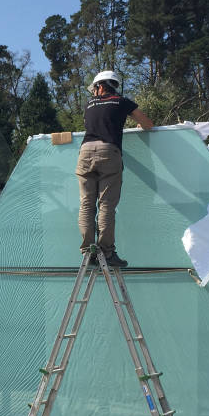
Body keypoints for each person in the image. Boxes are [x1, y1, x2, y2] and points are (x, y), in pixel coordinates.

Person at [76, 70, 153, 268]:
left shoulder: (89, 105)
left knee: (86, 204)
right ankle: (106, 253)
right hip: (108, 151)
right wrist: (138, 125)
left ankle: (87, 252)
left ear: (100, 86)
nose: (93, 92)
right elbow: (148, 124)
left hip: (84, 152)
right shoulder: (121, 101)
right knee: (106, 205)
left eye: (94, 88)